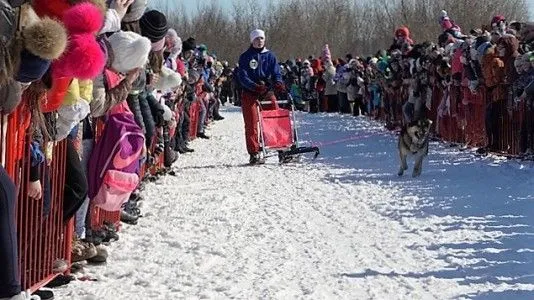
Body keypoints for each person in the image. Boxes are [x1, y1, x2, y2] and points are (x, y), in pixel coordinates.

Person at [238, 29, 285, 164]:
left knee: (274, 118)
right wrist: (254, 86)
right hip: (250, 92)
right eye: (257, 39)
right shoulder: (246, 56)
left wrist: (278, 82)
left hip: (266, 91)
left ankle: (279, 146)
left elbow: (276, 72)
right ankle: (254, 152)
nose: (259, 41)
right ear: (252, 41)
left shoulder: (270, 56)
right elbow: (243, 76)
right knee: (251, 123)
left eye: (261, 39)